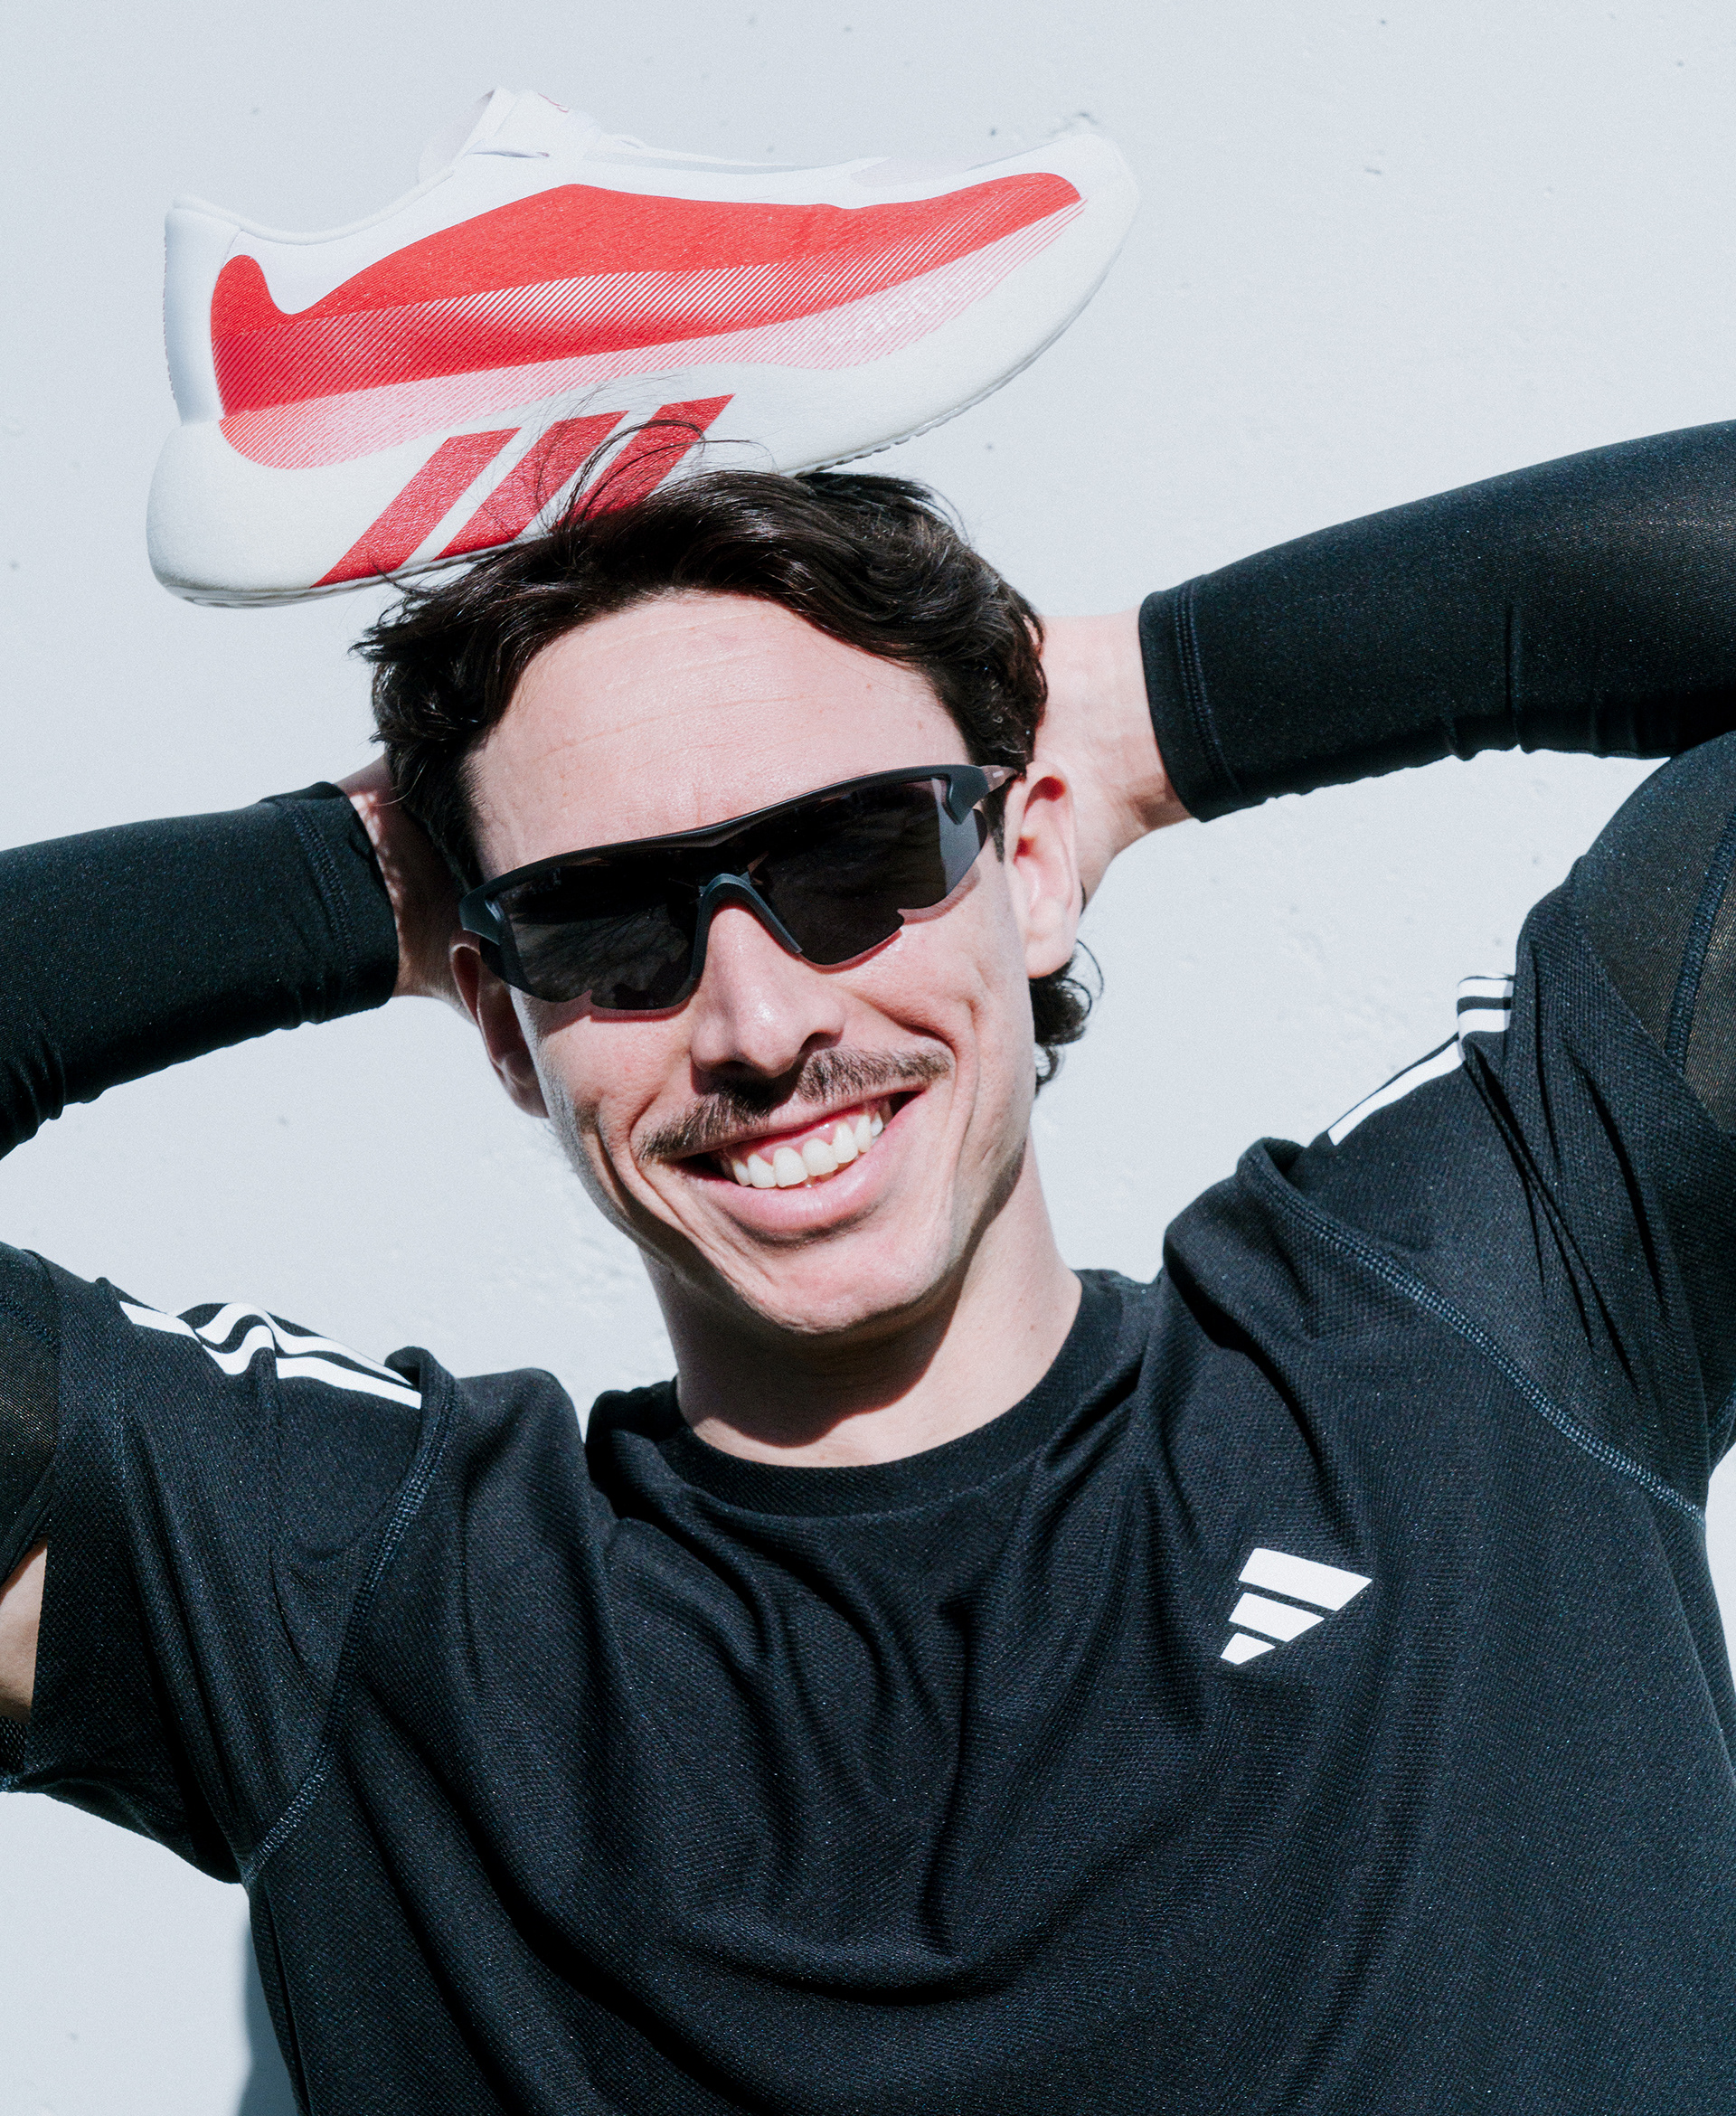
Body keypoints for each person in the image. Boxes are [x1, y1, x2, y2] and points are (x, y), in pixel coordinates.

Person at [3, 429, 1736, 2112]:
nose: (761, 1024)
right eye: (609, 922)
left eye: (856, 853)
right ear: (506, 1030)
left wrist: (1135, 707)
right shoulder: (351, 1599)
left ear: (1028, 862)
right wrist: (356, 871)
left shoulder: (1472, 1327)